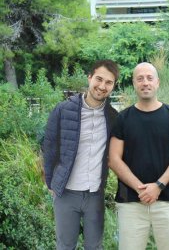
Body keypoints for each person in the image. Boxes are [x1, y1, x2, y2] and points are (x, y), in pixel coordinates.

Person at [108, 62, 169, 250]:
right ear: (134, 84)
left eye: (149, 78)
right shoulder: (123, 119)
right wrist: (141, 189)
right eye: (140, 78)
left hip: (167, 200)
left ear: (157, 82)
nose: (145, 82)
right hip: (131, 203)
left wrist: (158, 186)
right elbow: (113, 158)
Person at [42, 59, 120, 250]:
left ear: (113, 86)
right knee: (65, 246)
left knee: (94, 246)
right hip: (66, 192)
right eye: (99, 79)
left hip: (95, 194)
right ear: (90, 77)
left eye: (108, 82)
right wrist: (51, 183)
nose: (102, 86)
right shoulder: (63, 110)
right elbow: (49, 147)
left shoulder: (113, 117)